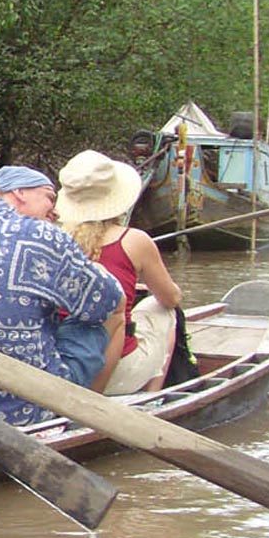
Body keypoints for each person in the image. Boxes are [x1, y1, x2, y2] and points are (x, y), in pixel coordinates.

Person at [0, 164, 123, 425]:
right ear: (19, 192)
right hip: (27, 405)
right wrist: (98, 271)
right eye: (49, 197)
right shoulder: (45, 235)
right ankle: (88, 410)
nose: (55, 211)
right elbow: (105, 302)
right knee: (114, 310)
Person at [57, 150, 183, 394]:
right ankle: (151, 395)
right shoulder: (135, 240)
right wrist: (174, 289)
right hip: (116, 373)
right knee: (164, 311)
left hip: (65, 366)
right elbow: (171, 298)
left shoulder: (53, 238)